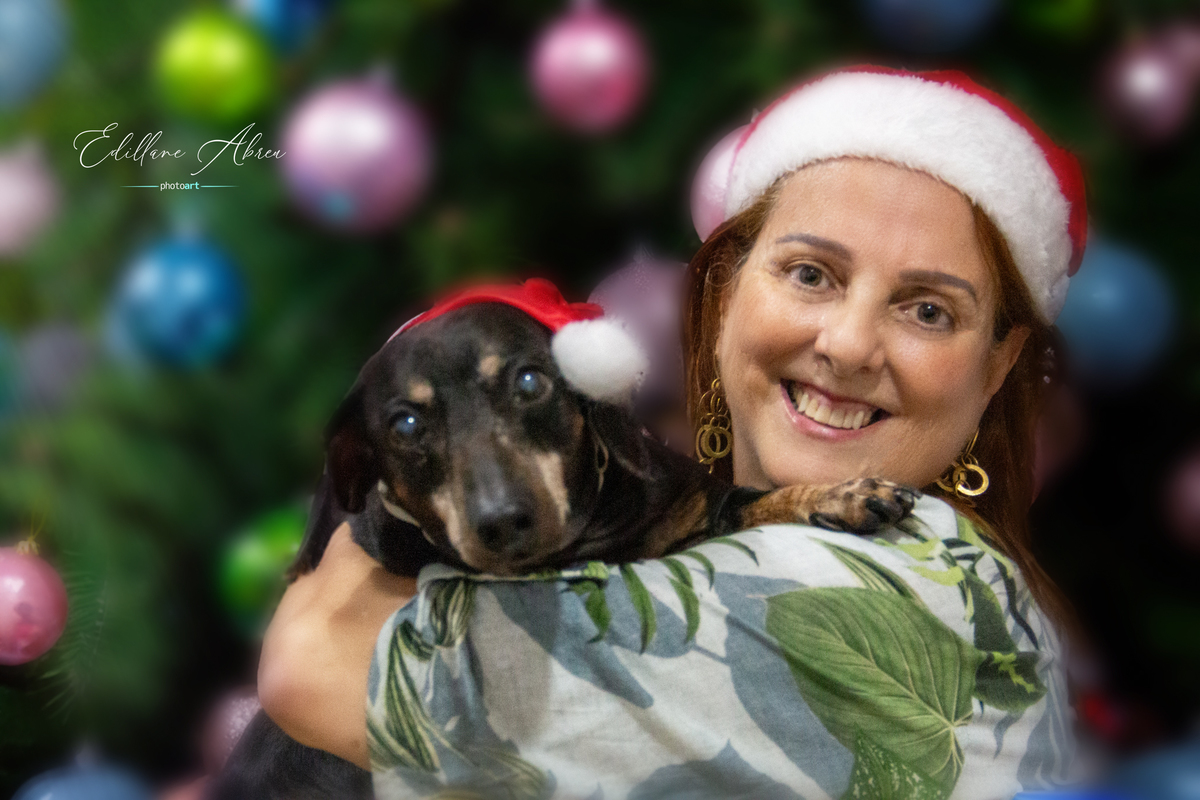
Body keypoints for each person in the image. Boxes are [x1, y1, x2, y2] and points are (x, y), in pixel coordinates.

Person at [258, 66, 1088, 798]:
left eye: (928, 309)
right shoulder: (689, 540)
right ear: (723, 295)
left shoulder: (923, 596)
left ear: (997, 366)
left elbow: (317, 672)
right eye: (810, 273)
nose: (846, 343)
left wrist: (324, 603)